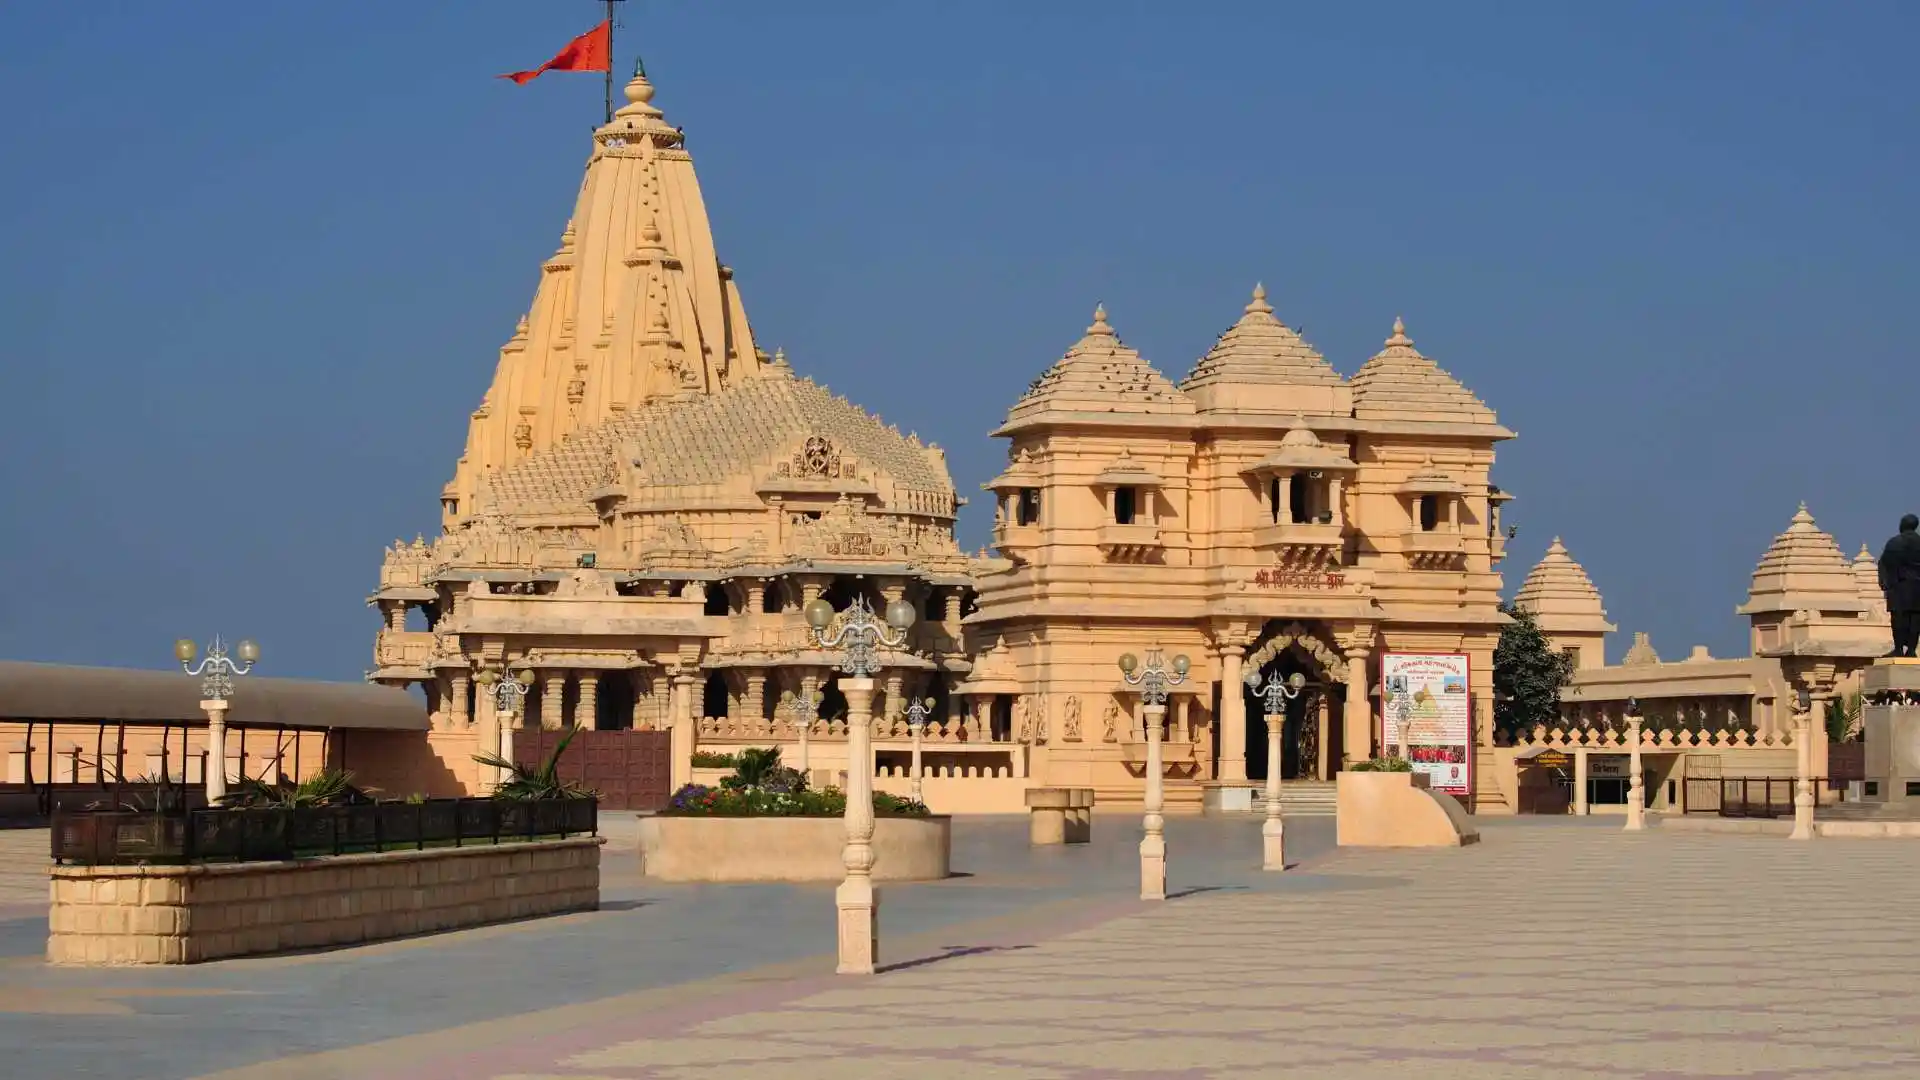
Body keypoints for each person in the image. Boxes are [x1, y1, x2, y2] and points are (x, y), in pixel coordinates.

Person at [1881, 514, 1920, 658]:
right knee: (1915, 619)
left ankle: (1898, 649)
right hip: (1917, 589)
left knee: (1898, 618)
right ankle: (1911, 650)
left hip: (1899, 586)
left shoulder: (1895, 542)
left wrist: (1885, 584)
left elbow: (1885, 563)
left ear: (1902, 525)